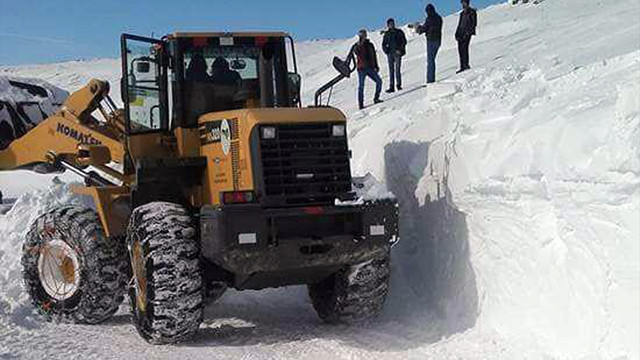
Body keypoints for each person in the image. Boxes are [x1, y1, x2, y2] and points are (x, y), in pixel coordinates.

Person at [347, 29, 383, 110]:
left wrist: (376, 66)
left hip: (370, 67)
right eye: (361, 35)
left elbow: (374, 56)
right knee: (361, 86)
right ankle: (361, 104)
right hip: (361, 68)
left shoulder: (370, 45)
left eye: (363, 35)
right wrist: (359, 46)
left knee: (379, 81)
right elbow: (352, 54)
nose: (362, 37)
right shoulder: (356, 45)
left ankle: (376, 98)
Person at [417, 4, 443, 83]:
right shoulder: (439, 18)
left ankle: (430, 80)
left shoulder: (429, 18)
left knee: (430, 61)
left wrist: (419, 28)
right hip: (438, 40)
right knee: (432, 60)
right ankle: (431, 79)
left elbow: (425, 28)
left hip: (431, 40)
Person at [382, 18, 407, 93]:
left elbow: (404, 41)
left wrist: (400, 50)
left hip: (397, 53)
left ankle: (398, 85)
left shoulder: (399, 32)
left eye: (393, 23)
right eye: (390, 24)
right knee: (391, 70)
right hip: (390, 54)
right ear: (388, 25)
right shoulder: (387, 34)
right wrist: (386, 51)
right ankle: (391, 87)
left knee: (397, 70)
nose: (392, 25)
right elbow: (383, 44)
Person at [455, 0, 477, 73]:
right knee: (460, 49)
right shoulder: (462, 13)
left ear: (467, 3)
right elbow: (459, 24)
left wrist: (468, 33)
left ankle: (466, 65)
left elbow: (473, 23)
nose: (463, 4)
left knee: (465, 48)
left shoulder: (472, 12)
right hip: (461, 33)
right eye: (462, 3)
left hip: (467, 33)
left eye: (464, 2)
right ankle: (462, 66)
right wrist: (457, 33)